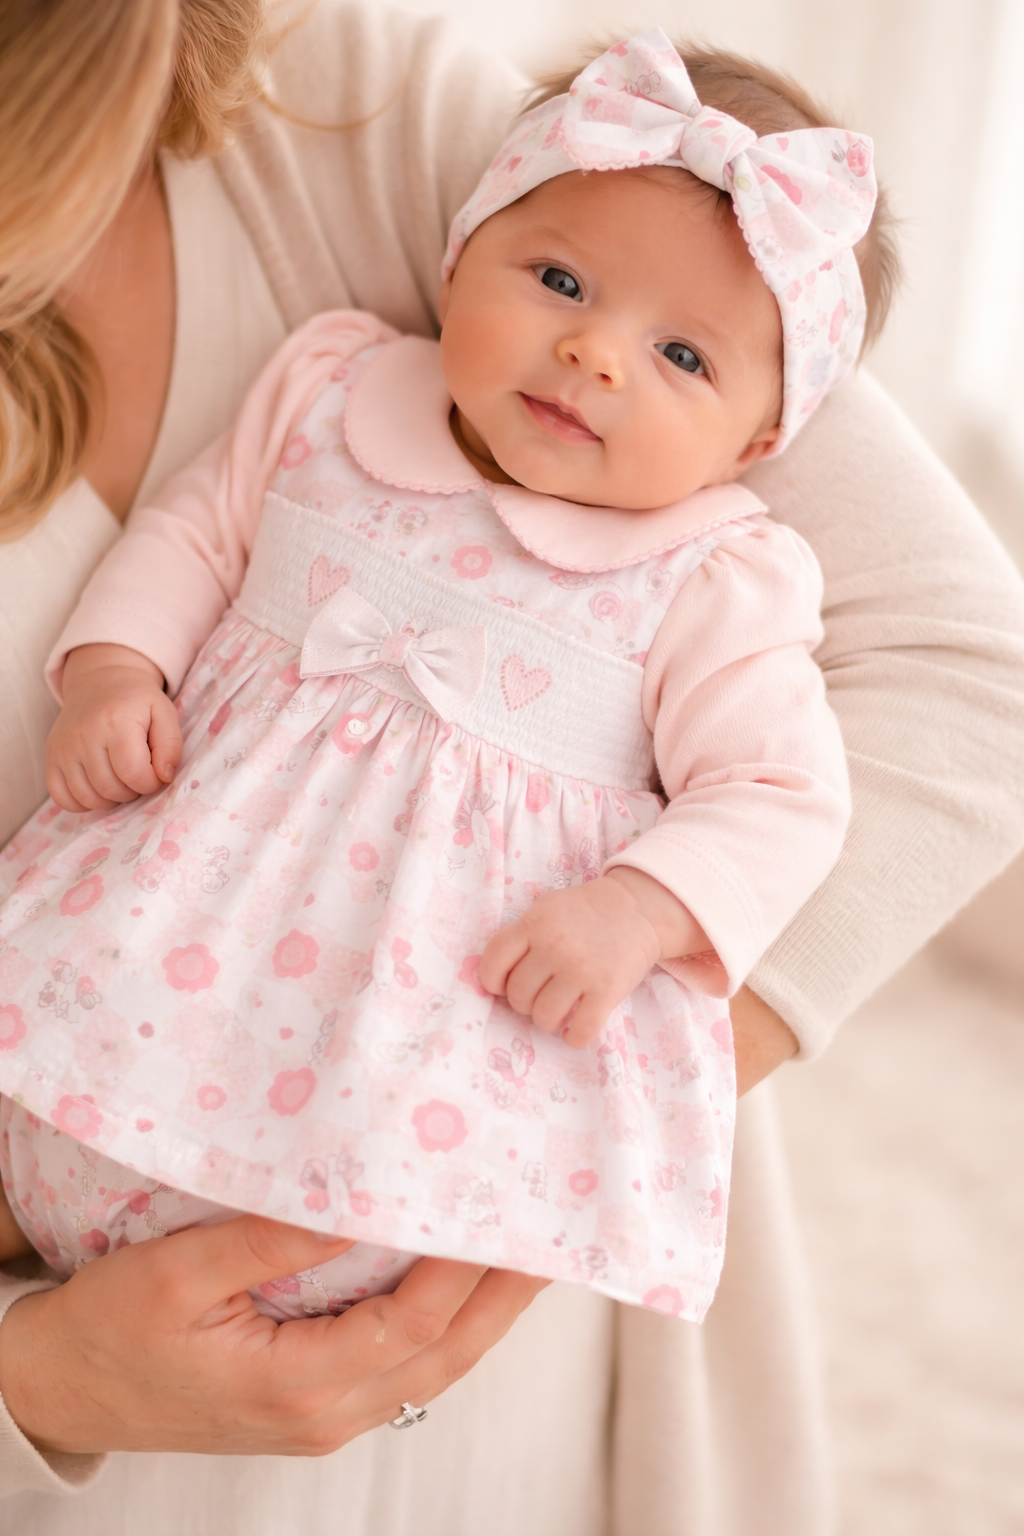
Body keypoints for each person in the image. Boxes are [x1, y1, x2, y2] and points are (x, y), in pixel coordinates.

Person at [1, 4, 1022, 1533]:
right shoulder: (337, 386)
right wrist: (114, 670)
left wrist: (637, 919)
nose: (594, 352)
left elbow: (784, 792)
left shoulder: (718, 575)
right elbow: (197, 537)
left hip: (434, 1122)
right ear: (460, 254)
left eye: (683, 357)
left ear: (759, 442)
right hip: (151, 972)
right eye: (555, 280)